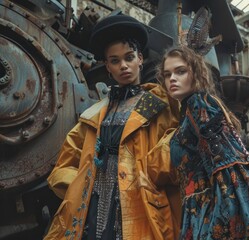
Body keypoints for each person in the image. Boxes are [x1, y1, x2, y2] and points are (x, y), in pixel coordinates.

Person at [44, 14, 181, 240]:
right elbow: (64, 165)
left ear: (140, 59)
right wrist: (82, 186)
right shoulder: (95, 113)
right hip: (93, 208)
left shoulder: (159, 104)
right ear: (107, 66)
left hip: (140, 206)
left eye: (129, 57)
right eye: (115, 61)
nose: (123, 66)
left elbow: (173, 155)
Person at [156, 45, 249, 239]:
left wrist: (225, 220)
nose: (172, 78)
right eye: (167, 74)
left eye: (180, 71)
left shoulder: (200, 104)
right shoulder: (188, 113)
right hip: (196, 209)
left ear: (196, 73)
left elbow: (226, 167)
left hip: (209, 211)